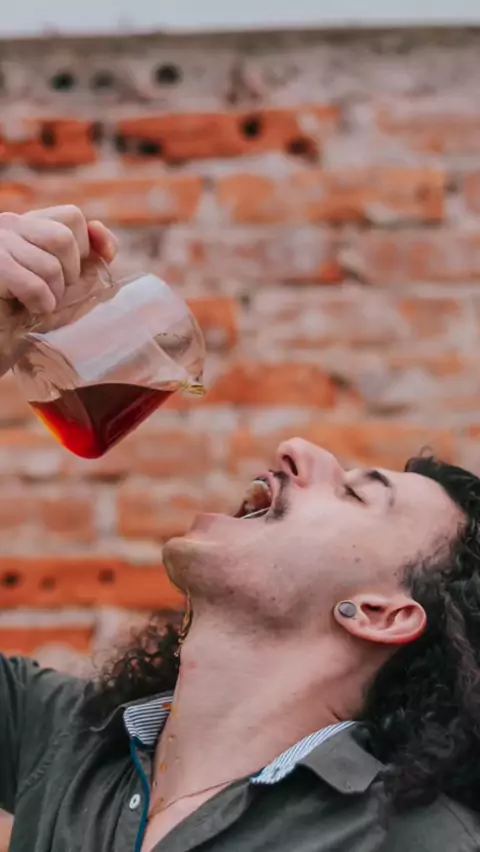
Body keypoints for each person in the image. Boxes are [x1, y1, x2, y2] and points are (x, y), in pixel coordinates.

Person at [1, 207, 480, 852]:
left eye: (354, 493)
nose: (296, 448)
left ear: (379, 612)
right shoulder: (66, 737)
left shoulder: (416, 841)